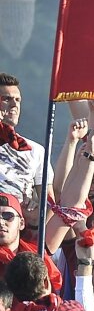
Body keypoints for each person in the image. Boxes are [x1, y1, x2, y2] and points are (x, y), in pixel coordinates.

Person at [0, 73, 46, 209]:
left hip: (16, 225)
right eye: (7, 99)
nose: (14, 105)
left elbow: (49, 202)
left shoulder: (34, 150)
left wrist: (34, 208)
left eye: (18, 100)